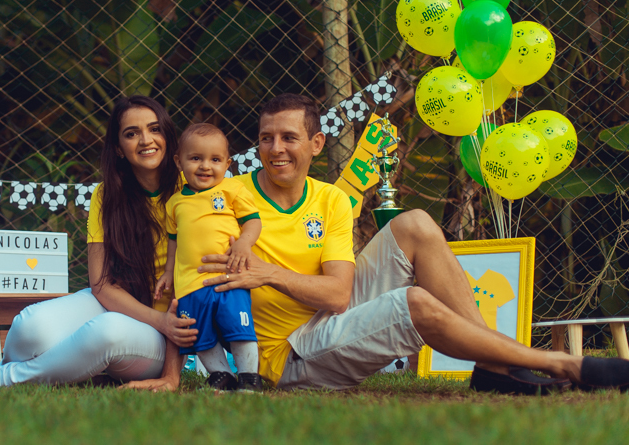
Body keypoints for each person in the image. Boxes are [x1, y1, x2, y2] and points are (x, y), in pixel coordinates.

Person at [196, 93, 629, 393]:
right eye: (266, 138)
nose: (276, 149)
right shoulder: (230, 197)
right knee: (414, 304)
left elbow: (338, 294)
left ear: (316, 143)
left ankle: (496, 367)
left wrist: (267, 273)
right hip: (286, 355)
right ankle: (559, 364)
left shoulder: (329, 199)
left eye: (288, 137)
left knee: (417, 223)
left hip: (326, 315)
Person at [0, 95, 196, 390]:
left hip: (165, 336)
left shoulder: (193, 192)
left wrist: (170, 370)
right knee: (30, 325)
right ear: (118, 148)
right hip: (129, 308)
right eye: (132, 133)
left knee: (106, 332)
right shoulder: (107, 196)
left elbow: (196, 285)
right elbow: (102, 285)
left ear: (168, 136)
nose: (146, 140)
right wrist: (156, 318)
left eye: (154, 129)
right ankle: (73, 369)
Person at [154, 123, 263, 392]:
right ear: (179, 161)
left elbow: (253, 222)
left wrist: (244, 245)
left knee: (239, 327)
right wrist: (168, 272)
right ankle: (221, 375)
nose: (205, 166)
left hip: (228, 277)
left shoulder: (231, 190)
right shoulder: (175, 203)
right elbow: (173, 241)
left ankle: (250, 376)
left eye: (215, 160)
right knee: (198, 334)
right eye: (195, 159)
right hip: (190, 284)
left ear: (227, 163)